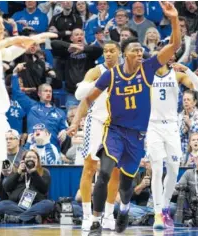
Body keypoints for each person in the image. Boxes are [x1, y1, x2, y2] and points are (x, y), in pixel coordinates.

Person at [68, 2, 181, 235]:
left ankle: (125, 209)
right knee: (105, 172)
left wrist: (174, 19)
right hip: (115, 131)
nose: (140, 53)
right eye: (135, 50)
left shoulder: (148, 68)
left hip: (137, 135)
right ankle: (96, 221)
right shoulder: (111, 75)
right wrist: (75, 121)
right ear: (125, 53)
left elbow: (175, 45)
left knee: (127, 184)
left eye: (141, 50)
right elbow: (87, 99)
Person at [0, 7, 56, 214]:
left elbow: (12, 50)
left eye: (3, 23)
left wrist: (34, 39)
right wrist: (13, 40)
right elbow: (4, 46)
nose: (2, 28)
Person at [147, 62, 198, 229]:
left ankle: (165, 206)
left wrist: (187, 69)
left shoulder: (177, 75)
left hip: (172, 126)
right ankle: (158, 213)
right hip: (153, 126)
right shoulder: (146, 75)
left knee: (173, 169)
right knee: (157, 170)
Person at [74, 41, 121, 231]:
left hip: (117, 126)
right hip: (95, 123)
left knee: (115, 171)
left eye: (111, 51)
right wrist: (99, 82)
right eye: (105, 51)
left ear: (120, 53)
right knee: (89, 168)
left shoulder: (128, 72)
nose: (108, 54)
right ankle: (87, 215)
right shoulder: (96, 71)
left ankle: (108, 215)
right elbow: (80, 95)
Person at [0, 150, 54, 224]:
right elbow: (7, 187)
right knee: (1, 205)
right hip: (16, 205)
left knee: (48, 204)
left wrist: (34, 172)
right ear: (23, 160)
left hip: (35, 205)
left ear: (38, 161)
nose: (31, 159)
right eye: (28, 157)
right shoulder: (17, 172)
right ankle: (31, 218)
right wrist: (18, 172)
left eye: (34, 157)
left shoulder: (44, 172)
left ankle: (18, 218)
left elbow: (44, 189)